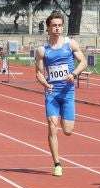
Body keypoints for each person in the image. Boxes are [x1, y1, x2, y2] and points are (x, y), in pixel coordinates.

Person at [34, 11, 88, 177]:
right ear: (48, 28)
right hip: (51, 93)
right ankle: (57, 164)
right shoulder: (42, 50)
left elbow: (84, 62)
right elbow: (38, 73)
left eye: (59, 25)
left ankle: (58, 160)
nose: (57, 28)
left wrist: (74, 74)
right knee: (52, 127)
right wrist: (45, 84)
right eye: (54, 26)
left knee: (68, 130)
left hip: (67, 92)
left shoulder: (70, 44)